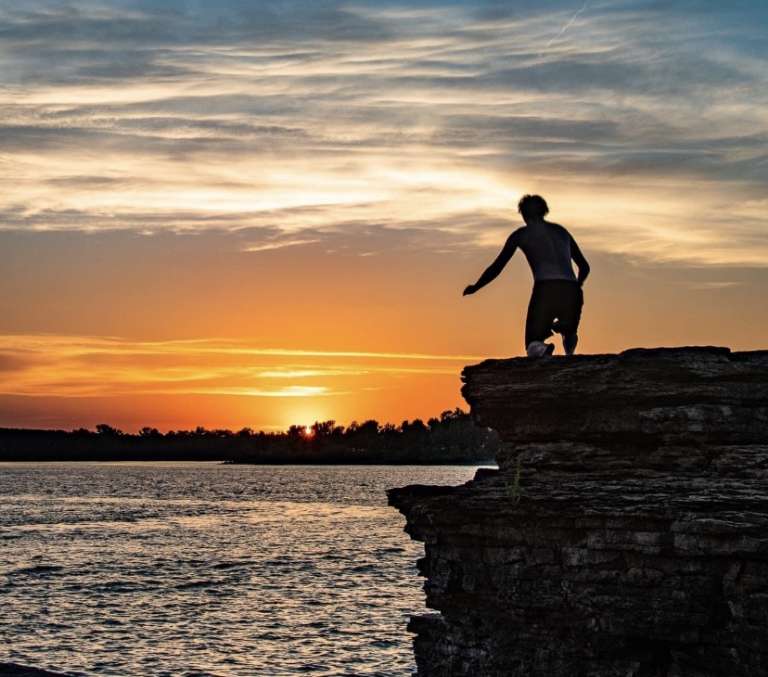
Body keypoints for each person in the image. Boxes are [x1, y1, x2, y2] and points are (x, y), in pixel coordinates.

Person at [463, 194, 590, 356]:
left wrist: (476, 286)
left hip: (546, 288)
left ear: (523, 214)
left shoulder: (521, 234)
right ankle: (569, 354)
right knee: (569, 331)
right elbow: (584, 267)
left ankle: (543, 349)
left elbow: (497, 267)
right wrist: (576, 288)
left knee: (532, 343)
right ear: (544, 211)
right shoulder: (561, 232)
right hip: (572, 289)